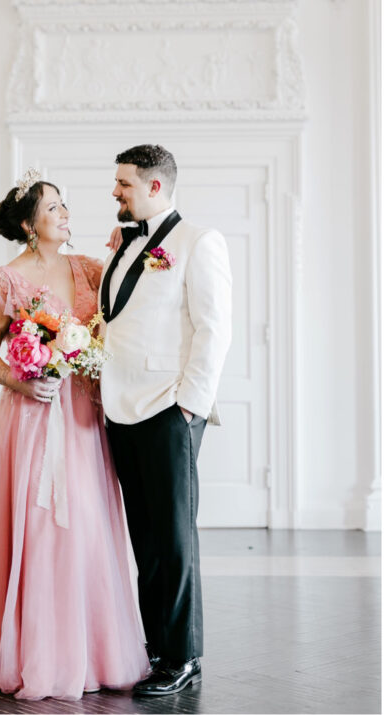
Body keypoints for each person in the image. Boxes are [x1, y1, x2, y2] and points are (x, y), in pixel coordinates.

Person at [0, 170, 149, 700]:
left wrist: (126, 238)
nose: (66, 213)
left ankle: (93, 649)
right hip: (33, 419)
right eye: (54, 208)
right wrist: (21, 380)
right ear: (29, 224)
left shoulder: (89, 269)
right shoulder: (7, 280)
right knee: (39, 529)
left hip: (86, 419)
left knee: (87, 530)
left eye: (65, 205)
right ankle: (30, 652)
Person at [99, 144, 232, 696]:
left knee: (174, 539)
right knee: (145, 539)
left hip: (168, 409)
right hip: (118, 408)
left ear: (155, 186)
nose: (115, 192)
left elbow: (214, 329)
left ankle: (182, 658)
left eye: (124, 184)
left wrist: (189, 407)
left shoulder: (199, 242)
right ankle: (154, 647)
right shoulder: (121, 246)